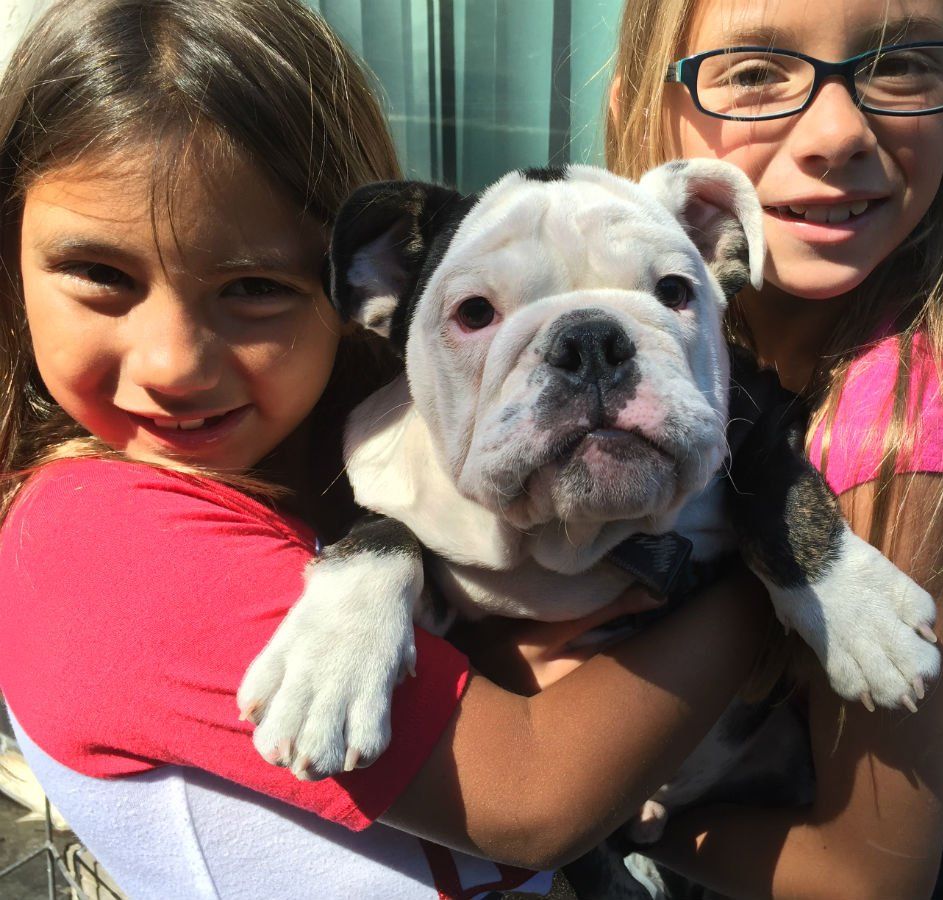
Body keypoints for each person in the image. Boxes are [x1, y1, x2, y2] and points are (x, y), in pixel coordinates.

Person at [0, 1, 777, 897]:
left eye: (255, 288)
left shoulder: (329, 458)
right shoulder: (101, 547)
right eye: (101, 275)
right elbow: (534, 796)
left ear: (354, 283)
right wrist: (767, 581)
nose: (174, 363)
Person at [596, 0, 943, 897]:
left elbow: (867, 875)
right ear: (641, 111)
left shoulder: (885, 434)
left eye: (901, 65)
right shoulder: (759, 351)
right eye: (752, 73)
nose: (836, 131)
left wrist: (629, 822)